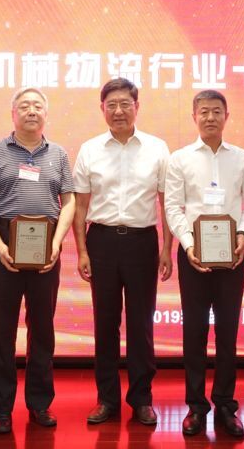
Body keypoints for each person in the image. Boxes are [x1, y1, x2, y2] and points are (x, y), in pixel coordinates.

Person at [0, 87, 75, 434]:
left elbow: (69, 201)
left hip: (46, 245)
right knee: (1, 329)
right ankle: (2, 408)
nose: (32, 111)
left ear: (46, 113)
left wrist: (57, 244)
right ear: (13, 114)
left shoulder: (58, 154)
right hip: (4, 243)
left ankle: (40, 404)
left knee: (42, 328)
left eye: (38, 106)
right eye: (24, 106)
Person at [72, 78, 173, 426]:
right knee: (105, 323)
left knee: (141, 324)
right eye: (111, 105)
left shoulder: (157, 148)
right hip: (101, 242)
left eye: (125, 104)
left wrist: (167, 249)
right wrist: (81, 251)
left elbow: (167, 203)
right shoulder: (90, 149)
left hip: (142, 242)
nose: (118, 111)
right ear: (102, 109)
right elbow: (80, 206)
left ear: (136, 107)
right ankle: (107, 399)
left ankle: (142, 399)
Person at [164, 89, 244, 438]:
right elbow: (173, 206)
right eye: (203, 111)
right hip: (193, 254)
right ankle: (196, 406)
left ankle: (224, 404)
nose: (210, 117)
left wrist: (243, 234)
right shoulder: (180, 159)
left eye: (216, 111)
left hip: (232, 254)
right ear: (194, 117)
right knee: (194, 332)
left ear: (226, 116)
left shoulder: (242, 158)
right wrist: (189, 244)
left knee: (227, 332)